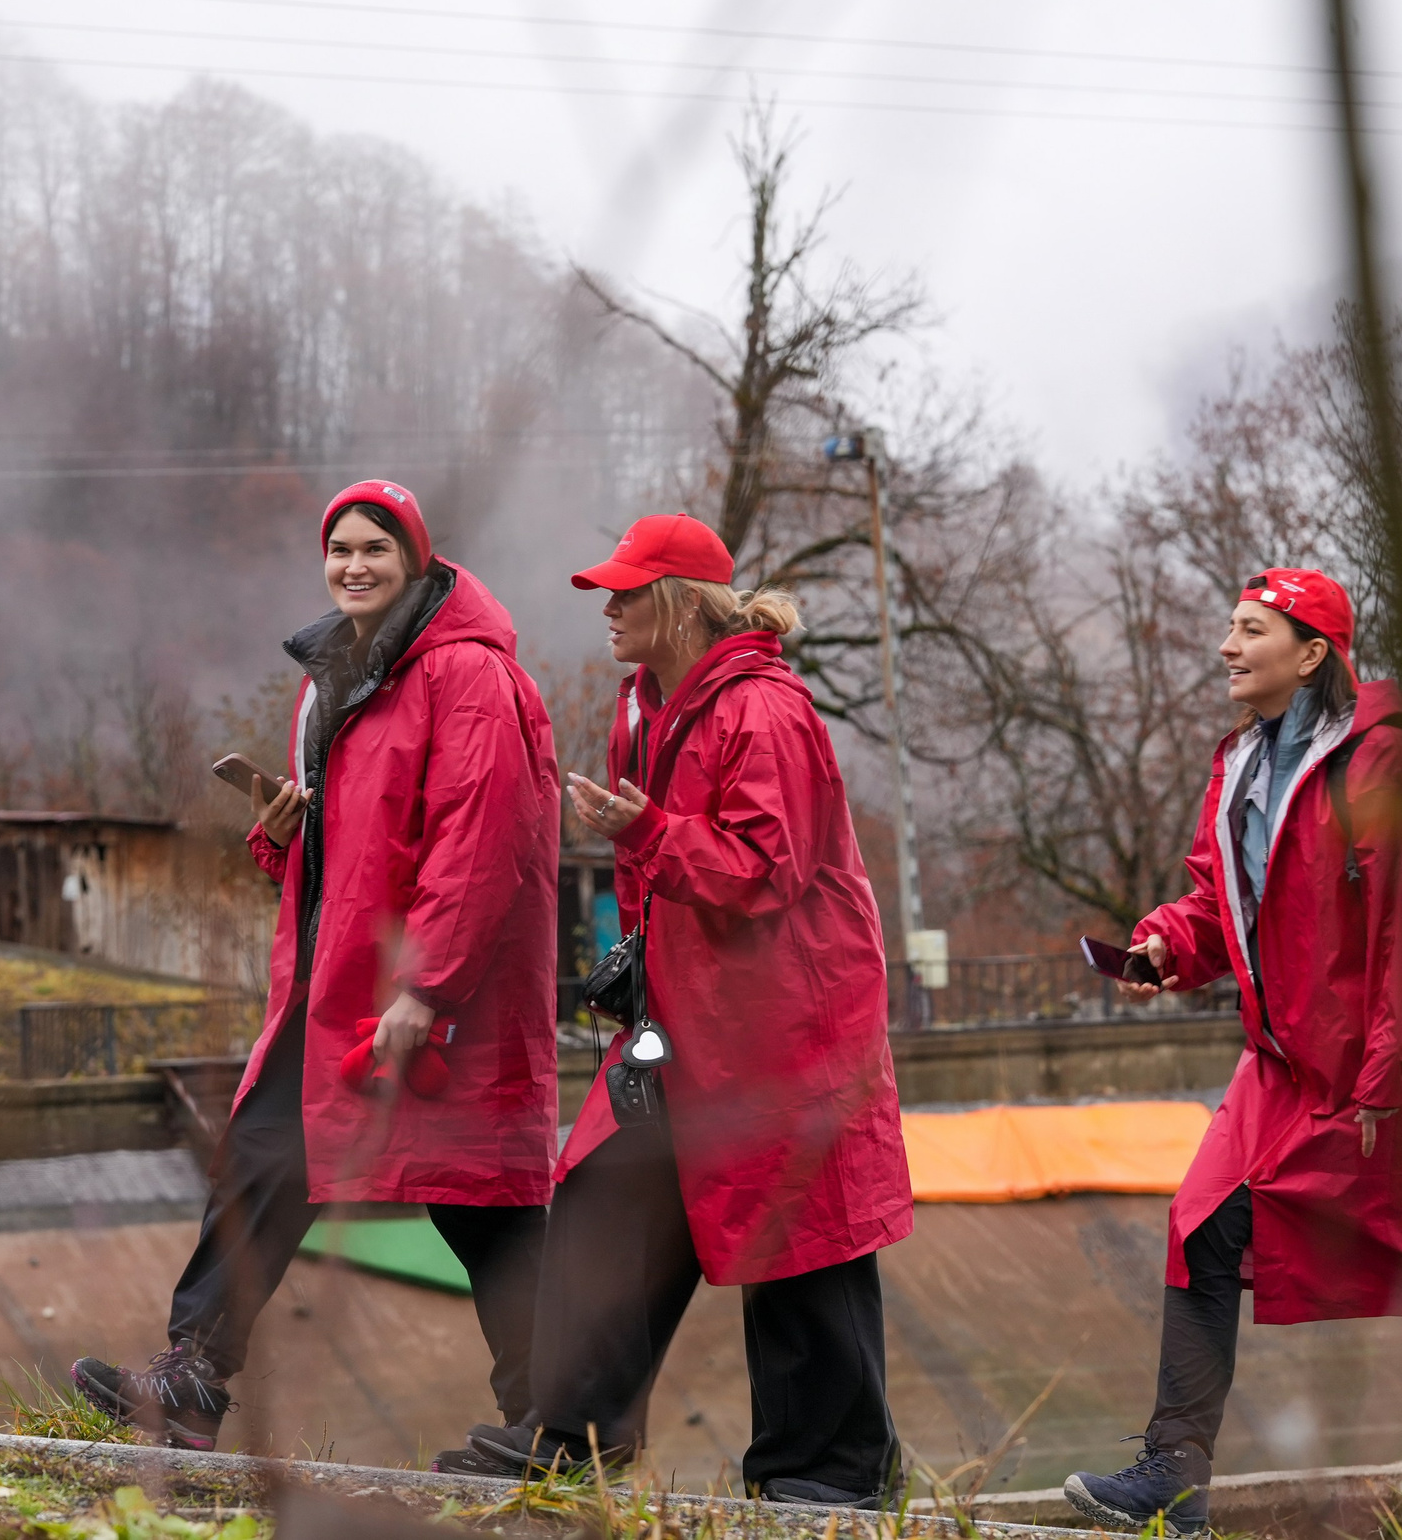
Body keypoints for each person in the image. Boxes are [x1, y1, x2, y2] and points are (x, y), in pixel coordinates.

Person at [1063, 568, 1402, 1532]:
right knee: (1201, 1222)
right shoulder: (1240, 767)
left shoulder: (1387, 764)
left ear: (1312, 654)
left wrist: (1383, 1080)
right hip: (1281, 1066)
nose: (1227, 646)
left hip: (1392, 1072)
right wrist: (1163, 945)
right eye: (1228, 625)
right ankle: (1172, 1478)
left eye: (1250, 629)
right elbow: (1220, 907)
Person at [74, 479, 561, 1449]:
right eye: (337, 548)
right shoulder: (333, 676)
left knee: (482, 1202)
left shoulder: (468, 676)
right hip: (336, 984)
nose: (352, 565)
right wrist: (279, 837)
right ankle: (193, 1376)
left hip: (437, 990)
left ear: (416, 560)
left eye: (374, 547)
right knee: (263, 1148)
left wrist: (428, 985)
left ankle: (563, 1420)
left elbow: (483, 841)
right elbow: (354, 844)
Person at [441, 512, 914, 1508]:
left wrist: (649, 829)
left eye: (624, 591)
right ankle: (572, 1441)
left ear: (679, 603)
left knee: (800, 1242)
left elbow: (762, 871)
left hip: (789, 1025)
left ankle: (833, 1480)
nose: (608, 609)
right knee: (609, 1192)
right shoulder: (646, 704)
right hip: (687, 1020)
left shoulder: (763, 713)